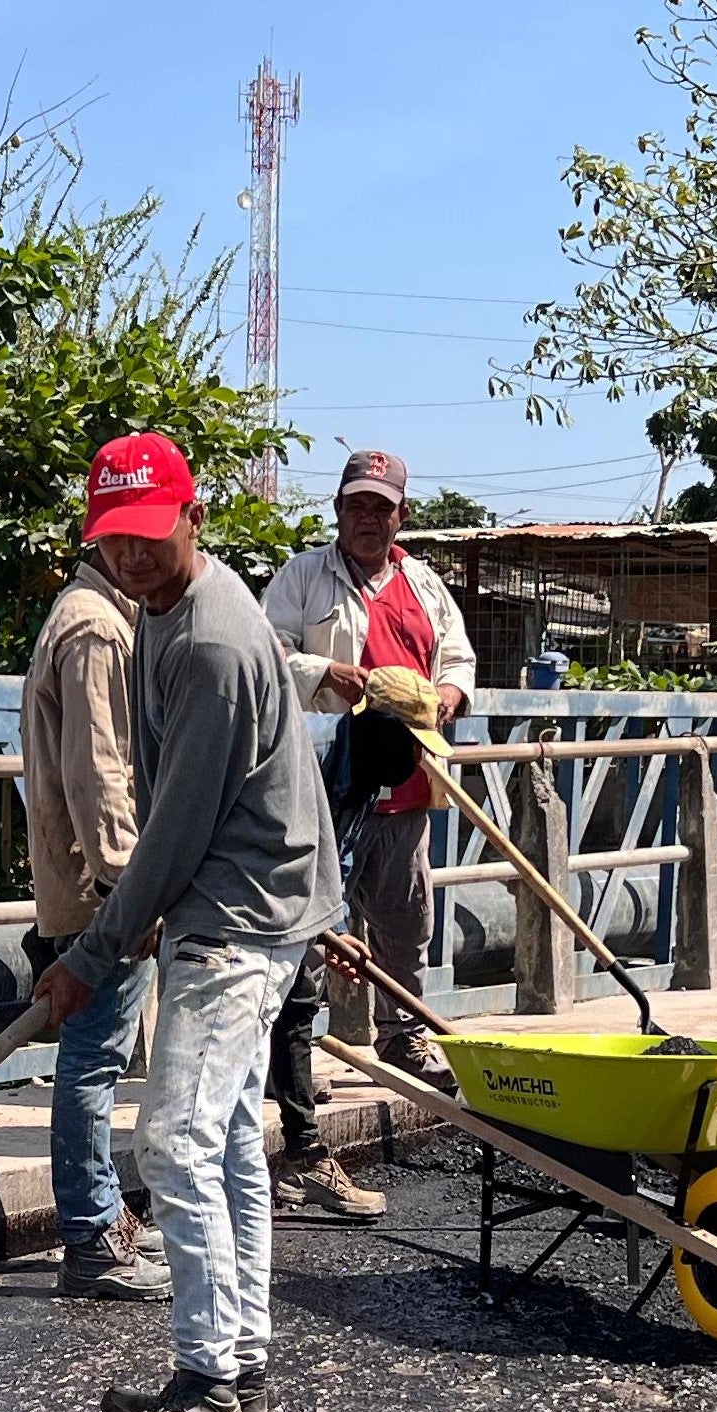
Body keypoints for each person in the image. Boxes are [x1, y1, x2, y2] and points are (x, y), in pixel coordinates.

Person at [31, 431, 344, 1412]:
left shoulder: (207, 640)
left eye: (149, 534)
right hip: (249, 897)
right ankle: (239, 1375)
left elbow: (174, 821)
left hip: (238, 916)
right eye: (113, 538)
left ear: (191, 518)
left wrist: (97, 948)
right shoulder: (164, 616)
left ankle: (208, 1397)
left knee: (172, 1142)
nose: (132, 555)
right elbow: (182, 801)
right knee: (219, 1144)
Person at [259, 449, 475, 1110]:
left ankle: (402, 1036)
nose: (367, 519)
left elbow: (459, 658)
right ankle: (287, 1058)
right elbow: (265, 653)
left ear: (399, 516)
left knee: (404, 923)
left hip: (405, 782)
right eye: (356, 506)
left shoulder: (425, 585)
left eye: (379, 508)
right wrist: (324, 674)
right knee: (308, 926)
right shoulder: (302, 578)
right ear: (337, 511)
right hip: (324, 786)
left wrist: (446, 695)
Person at [20, 532, 169, 1301]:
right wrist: (125, 887)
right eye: (125, 539)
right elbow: (99, 771)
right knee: (93, 1064)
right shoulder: (97, 628)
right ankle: (90, 1236)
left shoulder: (95, 616)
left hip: (91, 884)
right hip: (98, 891)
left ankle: (101, 1222)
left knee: (94, 1059)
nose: (140, 554)